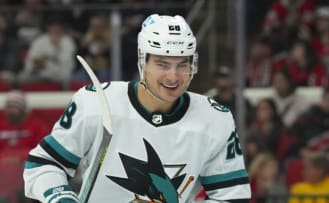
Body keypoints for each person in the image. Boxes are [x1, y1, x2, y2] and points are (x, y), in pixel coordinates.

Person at [23, 14, 251, 203]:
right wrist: (60, 197)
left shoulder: (215, 119)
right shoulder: (95, 102)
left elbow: (232, 196)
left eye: (183, 64)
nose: (173, 76)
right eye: (162, 64)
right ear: (143, 62)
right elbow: (43, 164)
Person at [0, 90, 49, 161]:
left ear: (23, 109)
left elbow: (43, 151)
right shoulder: (1, 125)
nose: (10, 110)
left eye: (14, 107)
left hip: (28, 165)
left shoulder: (37, 127)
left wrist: (22, 158)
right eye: (9, 107)